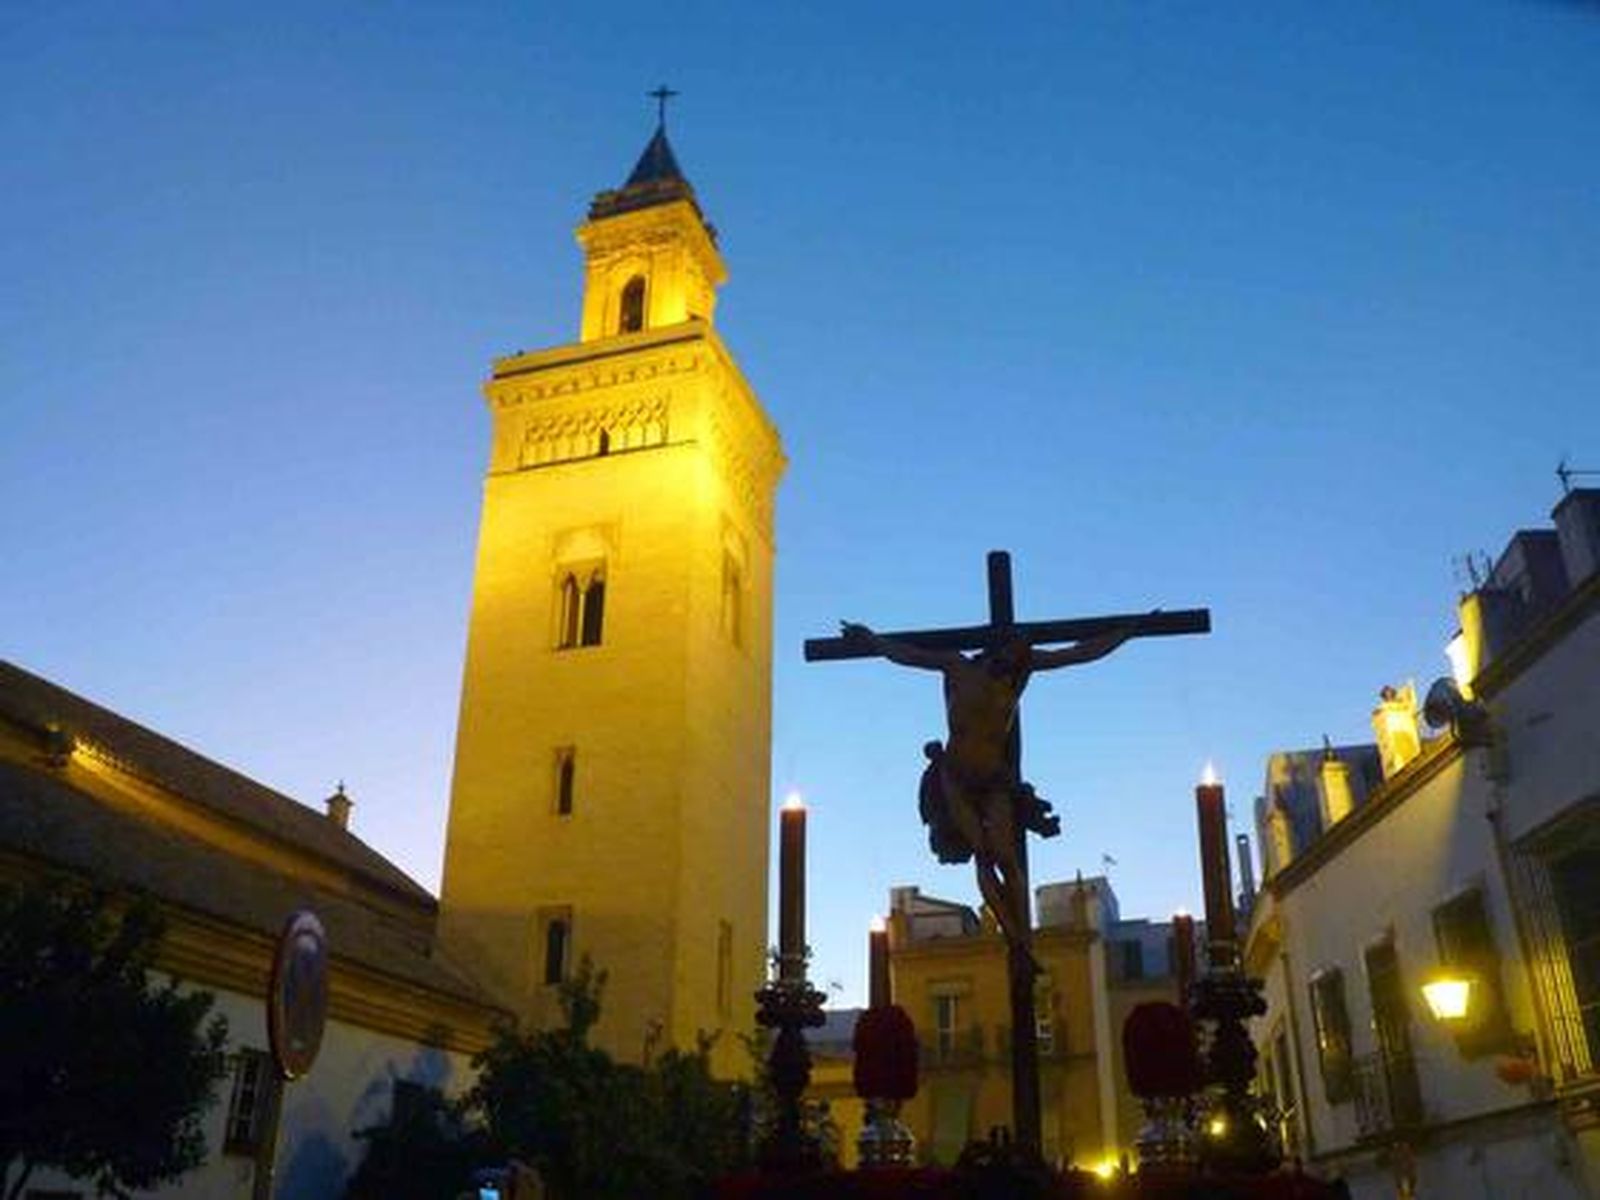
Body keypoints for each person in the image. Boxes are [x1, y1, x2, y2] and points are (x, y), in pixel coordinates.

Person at [840, 619, 1147, 953]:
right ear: (998, 648)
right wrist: (872, 639)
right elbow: (908, 654)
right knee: (984, 855)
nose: (1018, 660)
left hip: (993, 779)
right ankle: (1015, 938)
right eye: (1014, 652)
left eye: (1022, 656)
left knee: (1006, 858)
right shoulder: (956, 666)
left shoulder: (1021, 674)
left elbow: (1079, 653)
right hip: (956, 776)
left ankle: (1022, 940)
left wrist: (1125, 632)